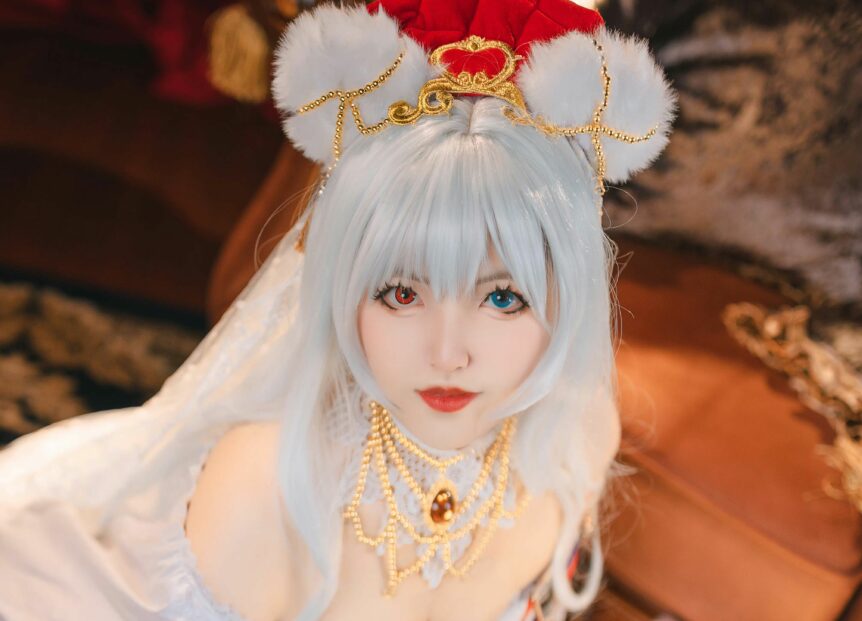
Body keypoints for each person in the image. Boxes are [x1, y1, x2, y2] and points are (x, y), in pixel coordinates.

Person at [0, 0, 675, 619]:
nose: (448, 354)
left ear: (570, 294)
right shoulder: (266, 485)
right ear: (341, 283)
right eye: (402, 293)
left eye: (503, 298)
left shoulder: (577, 434)